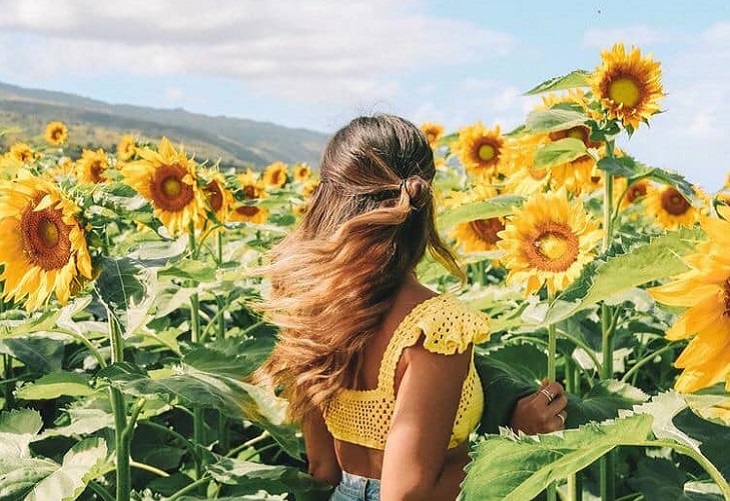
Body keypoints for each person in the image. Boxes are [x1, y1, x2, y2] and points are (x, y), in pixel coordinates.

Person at [255, 114, 568, 501]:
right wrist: (514, 438)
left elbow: (323, 469)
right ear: (426, 202)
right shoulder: (436, 326)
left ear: (328, 200)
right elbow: (405, 496)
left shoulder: (315, 313)